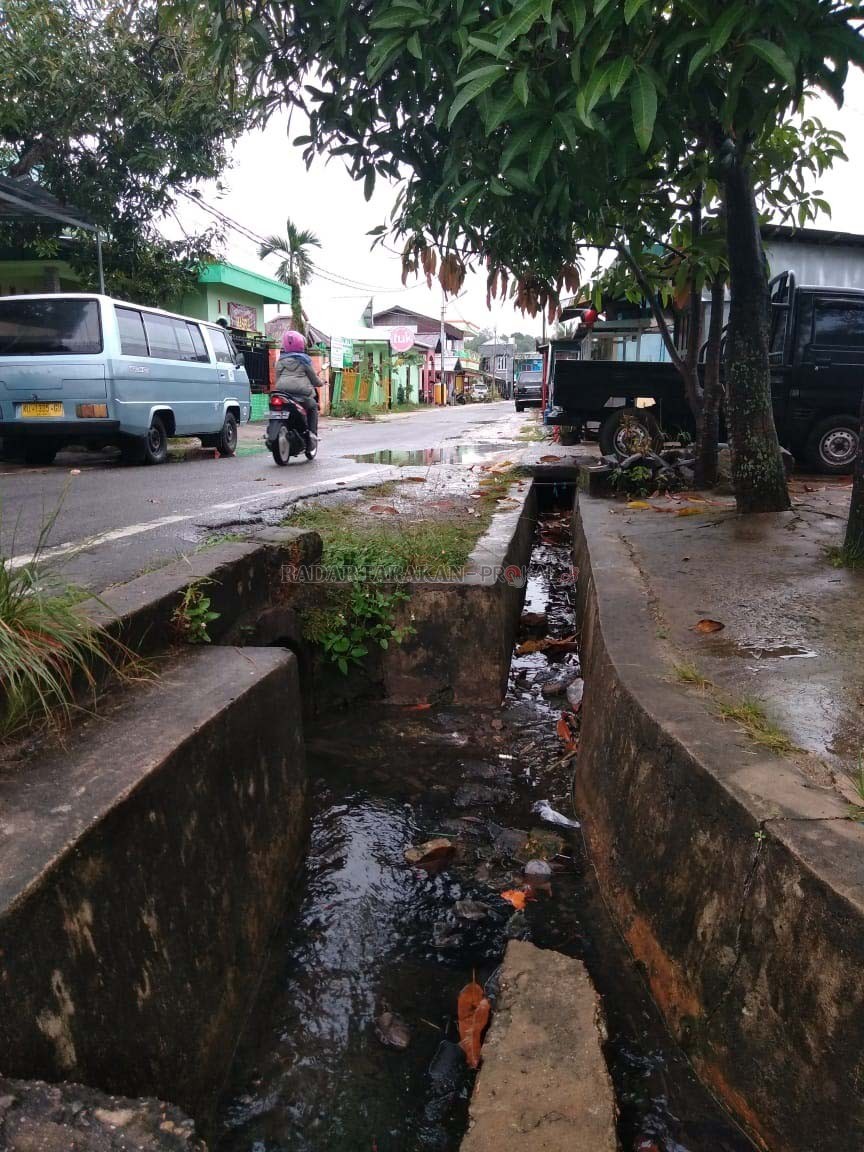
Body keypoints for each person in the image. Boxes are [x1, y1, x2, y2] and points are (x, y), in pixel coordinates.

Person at [275, 330, 320, 440]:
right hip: (301, 395)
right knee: (313, 406)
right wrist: (320, 383)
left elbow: (277, 377)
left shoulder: (280, 360)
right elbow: (314, 379)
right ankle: (312, 433)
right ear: (301, 344)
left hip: (283, 393)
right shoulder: (304, 361)